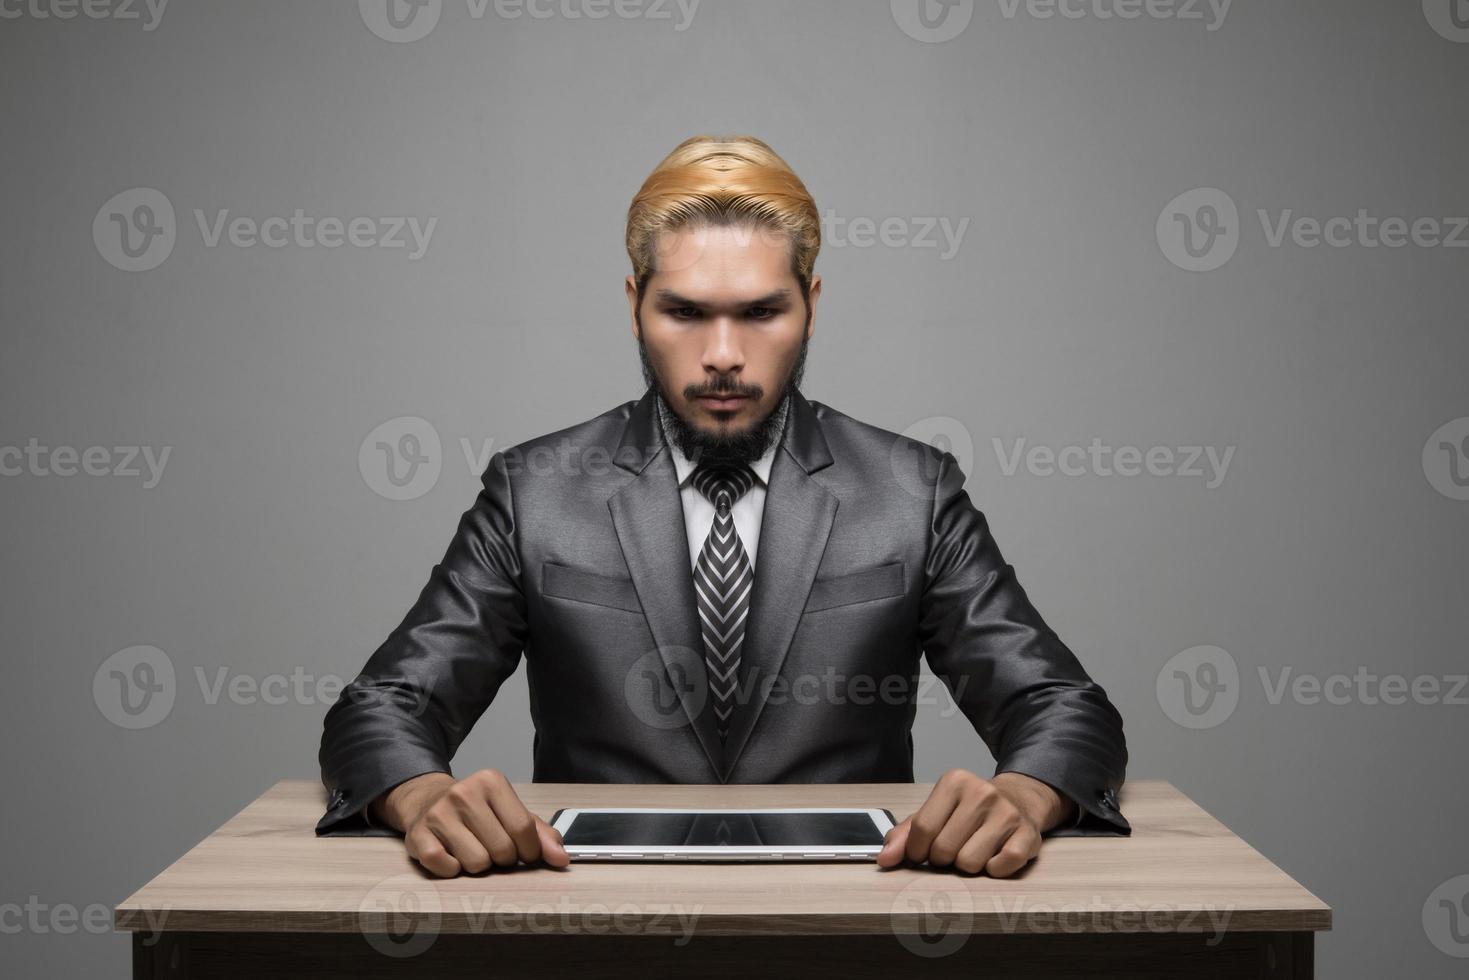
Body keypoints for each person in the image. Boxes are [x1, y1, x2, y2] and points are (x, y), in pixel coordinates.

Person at [317, 135, 1129, 879]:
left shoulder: (912, 493)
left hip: (848, 928)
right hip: (592, 928)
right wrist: (424, 798)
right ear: (634, 302)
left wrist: (1020, 798)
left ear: (811, 302)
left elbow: (1062, 706)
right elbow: (381, 709)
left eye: (761, 312)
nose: (722, 356)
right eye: (684, 312)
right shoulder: (534, 492)